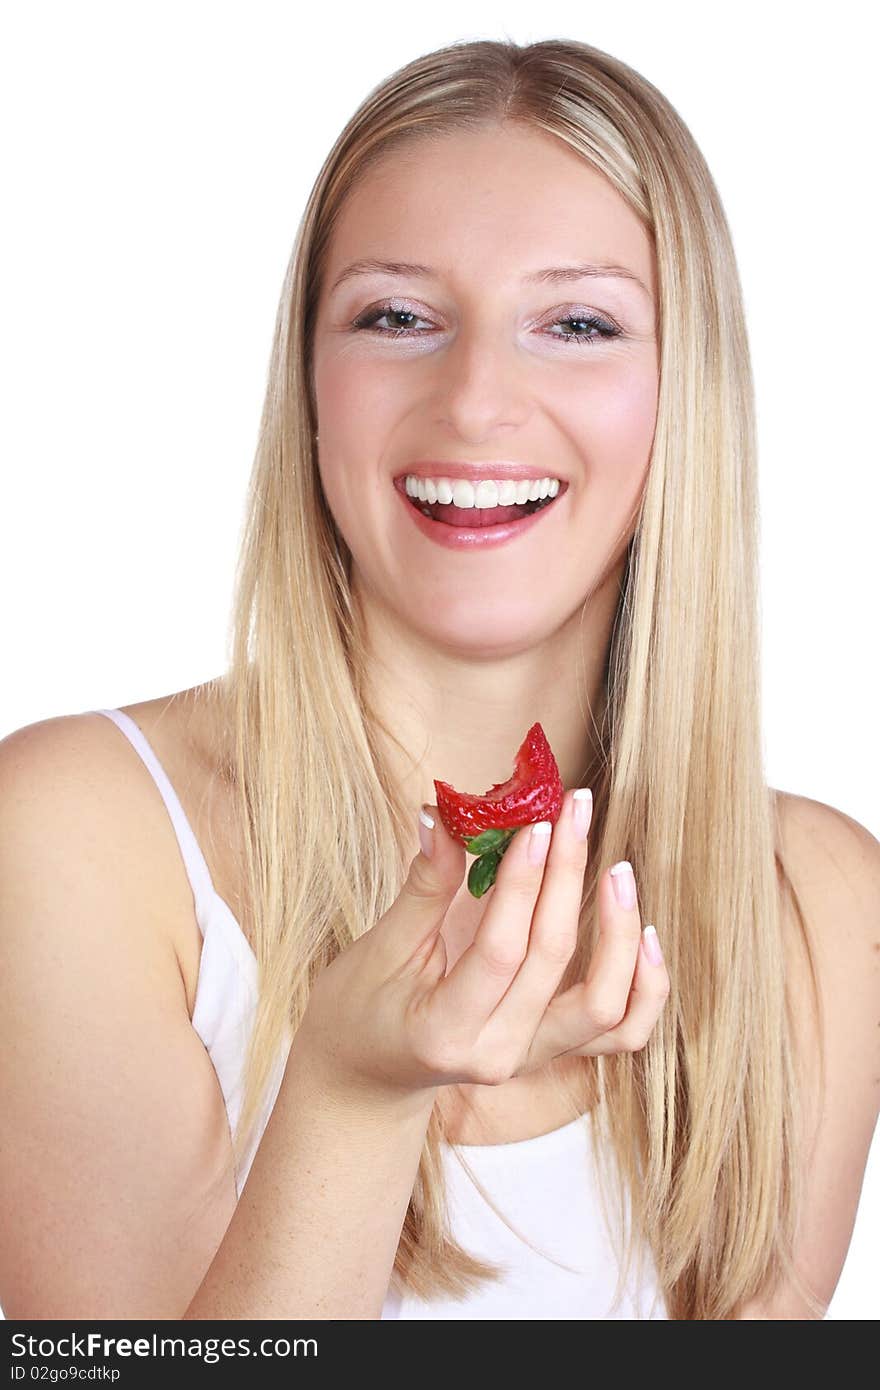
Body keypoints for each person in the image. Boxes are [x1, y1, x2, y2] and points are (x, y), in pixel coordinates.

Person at [1, 36, 878, 1323]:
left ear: (685, 395)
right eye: (397, 318)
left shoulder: (817, 906)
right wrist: (351, 1096)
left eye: (577, 323)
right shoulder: (69, 835)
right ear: (310, 385)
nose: (475, 402)